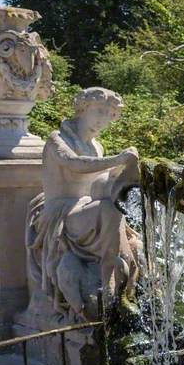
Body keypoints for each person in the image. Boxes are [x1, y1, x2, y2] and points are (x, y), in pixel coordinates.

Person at [25, 87, 142, 322]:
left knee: (131, 231)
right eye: (99, 111)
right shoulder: (57, 139)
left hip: (88, 210)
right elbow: (74, 164)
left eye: (109, 115)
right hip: (62, 212)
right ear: (83, 108)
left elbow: (101, 184)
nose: (103, 120)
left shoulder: (97, 147)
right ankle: (109, 274)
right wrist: (118, 159)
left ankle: (132, 287)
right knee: (109, 209)